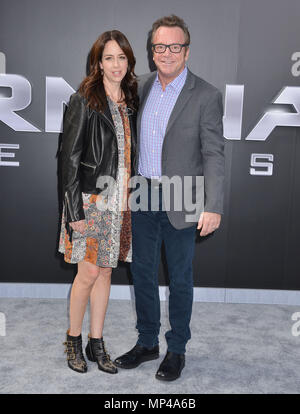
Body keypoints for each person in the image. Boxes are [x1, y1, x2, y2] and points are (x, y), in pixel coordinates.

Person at [114, 15, 225, 381]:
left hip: (184, 197)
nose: (166, 53)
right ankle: (148, 342)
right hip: (142, 192)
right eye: (159, 46)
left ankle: (176, 349)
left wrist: (213, 205)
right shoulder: (139, 87)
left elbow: (213, 153)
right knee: (141, 272)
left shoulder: (206, 95)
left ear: (186, 51)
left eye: (174, 47)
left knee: (180, 279)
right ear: (151, 51)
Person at [58, 30, 138, 374]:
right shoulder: (84, 99)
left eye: (121, 57)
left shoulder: (130, 101)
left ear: (128, 62)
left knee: (106, 271)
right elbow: (68, 159)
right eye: (109, 58)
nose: (116, 64)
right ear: (98, 63)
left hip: (120, 202)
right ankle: (73, 339)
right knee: (88, 272)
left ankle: (97, 342)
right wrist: (74, 211)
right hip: (90, 200)